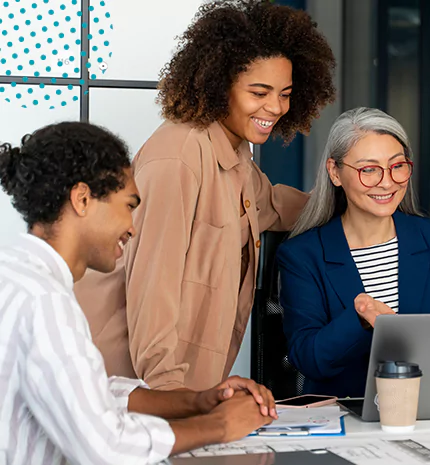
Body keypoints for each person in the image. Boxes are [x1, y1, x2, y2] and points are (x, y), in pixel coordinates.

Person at [74, 0, 337, 391]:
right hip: (128, 384)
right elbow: (152, 284)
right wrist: (169, 394)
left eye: (285, 93)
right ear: (219, 84)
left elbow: (272, 206)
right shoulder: (179, 156)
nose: (276, 107)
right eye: (259, 92)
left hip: (184, 386)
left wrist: (350, 195)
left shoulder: (234, 153)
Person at [0, 122, 279, 465]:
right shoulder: (45, 303)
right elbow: (104, 447)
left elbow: (89, 394)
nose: (133, 226)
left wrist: (198, 400)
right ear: (82, 199)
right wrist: (219, 426)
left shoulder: (17, 275)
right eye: (128, 206)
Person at [277, 108, 430, 398]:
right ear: (335, 172)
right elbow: (309, 359)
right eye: (369, 169)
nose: (387, 182)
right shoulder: (303, 255)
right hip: (345, 413)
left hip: (429, 408)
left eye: (397, 166)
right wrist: (359, 318)